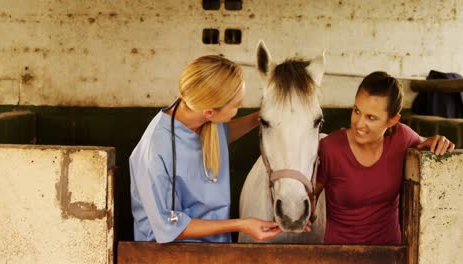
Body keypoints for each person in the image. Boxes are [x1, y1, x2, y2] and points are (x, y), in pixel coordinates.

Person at [129, 55, 282, 243]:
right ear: (209, 112)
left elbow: (220, 134)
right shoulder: (156, 150)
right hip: (171, 255)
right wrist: (241, 225)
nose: (241, 105)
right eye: (236, 105)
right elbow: (169, 225)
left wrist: (261, 116)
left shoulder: (202, 118)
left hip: (215, 249)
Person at [315, 71, 455, 244]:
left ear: (392, 120)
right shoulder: (330, 148)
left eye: (371, 117)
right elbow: (311, 194)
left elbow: (427, 142)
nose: (359, 123)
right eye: (357, 111)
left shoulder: (402, 138)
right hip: (340, 254)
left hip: (391, 253)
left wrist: (439, 140)